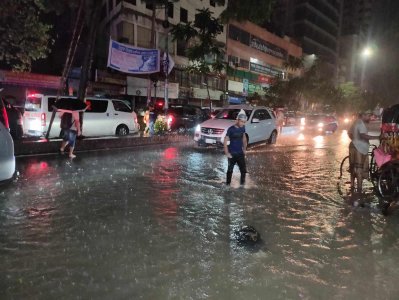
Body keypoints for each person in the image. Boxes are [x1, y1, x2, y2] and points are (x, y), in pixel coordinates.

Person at [348, 111, 379, 195]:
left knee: (353, 166)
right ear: (363, 115)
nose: (370, 118)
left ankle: (352, 186)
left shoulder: (355, 122)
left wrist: (355, 140)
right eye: (368, 116)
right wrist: (377, 137)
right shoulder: (360, 123)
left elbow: (349, 133)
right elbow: (363, 135)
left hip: (353, 146)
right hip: (359, 148)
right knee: (359, 168)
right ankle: (359, 191)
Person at [224, 112, 248, 185]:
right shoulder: (230, 129)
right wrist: (227, 153)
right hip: (232, 153)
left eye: (244, 122)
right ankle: (227, 185)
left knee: (243, 170)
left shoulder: (243, 128)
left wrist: (244, 149)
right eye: (241, 121)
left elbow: (244, 138)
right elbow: (225, 141)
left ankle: (242, 185)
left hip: (240, 153)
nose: (242, 123)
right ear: (237, 120)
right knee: (230, 170)